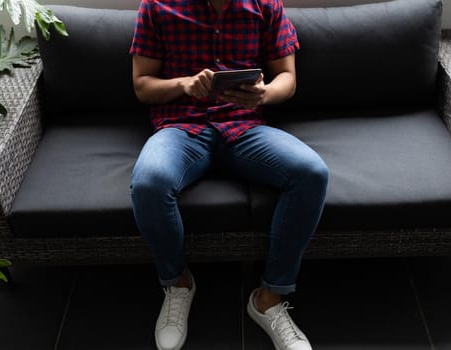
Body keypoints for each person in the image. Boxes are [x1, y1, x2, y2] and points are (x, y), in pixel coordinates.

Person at [129, 0, 328, 349]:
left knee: (311, 172)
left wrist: (264, 94)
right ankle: (178, 284)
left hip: (244, 127)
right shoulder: (156, 5)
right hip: (181, 128)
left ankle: (268, 299)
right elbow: (143, 86)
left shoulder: (264, 5)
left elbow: (288, 78)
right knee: (149, 182)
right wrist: (185, 84)